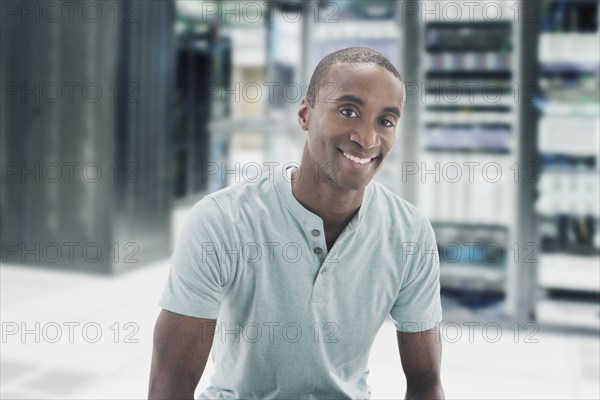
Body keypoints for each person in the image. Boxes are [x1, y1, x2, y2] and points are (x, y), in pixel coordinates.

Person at [149, 47, 444, 400]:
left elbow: (426, 381)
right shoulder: (220, 221)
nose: (366, 139)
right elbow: (172, 382)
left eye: (385, 121)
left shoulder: (409, 233)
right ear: (305, 114)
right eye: (348, 111)